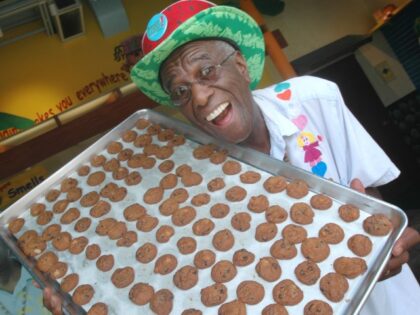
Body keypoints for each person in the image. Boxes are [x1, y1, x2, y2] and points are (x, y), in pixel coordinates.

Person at [43, 0, 420, 314]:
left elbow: (370, 196)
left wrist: (389, 240)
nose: (200, 96)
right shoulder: (191, 181)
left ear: (239, 64)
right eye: (180, 90)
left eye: (206, 70)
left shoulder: (313, 100)